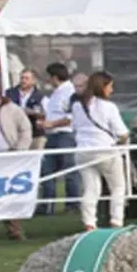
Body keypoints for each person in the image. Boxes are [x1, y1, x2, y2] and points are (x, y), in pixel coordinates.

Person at [71, 71, 128, 232]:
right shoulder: (109, 107)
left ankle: (89, 223)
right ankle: (116, 221)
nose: (112, 90)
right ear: (102, 87)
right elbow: (122, 133)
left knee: (90, 189)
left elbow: (74, 128)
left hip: (83, 151)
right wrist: (122, 142)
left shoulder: (77, 106)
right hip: (105, 150)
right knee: (117, 187)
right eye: (110, 87)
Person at [0, 75, 33, 241]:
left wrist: (19, 150)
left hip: (9, 157)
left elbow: (25, 129)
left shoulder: (11, 109)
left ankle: (15, 231)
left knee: (11, 195)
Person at [39, 63, 79, 213]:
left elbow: (71, 117)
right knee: (47, 171)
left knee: (70, 171)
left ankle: (73, 204)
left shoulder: (69, 92)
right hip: (53, 135)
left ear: (54, 77)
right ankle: (47, 205)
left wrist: (51, 123)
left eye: (49, 77)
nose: (48, 80)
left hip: (65, 135)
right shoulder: (57, 92)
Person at [7, 68, 45, 147]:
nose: (23, 80)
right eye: (22, 78)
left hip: (35, 134)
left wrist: (32, 112)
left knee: (36, 157)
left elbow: (46, 115)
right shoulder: (9, 93)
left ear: (34, 81)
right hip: (15, 134)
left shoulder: (41, 96)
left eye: (27, 78)